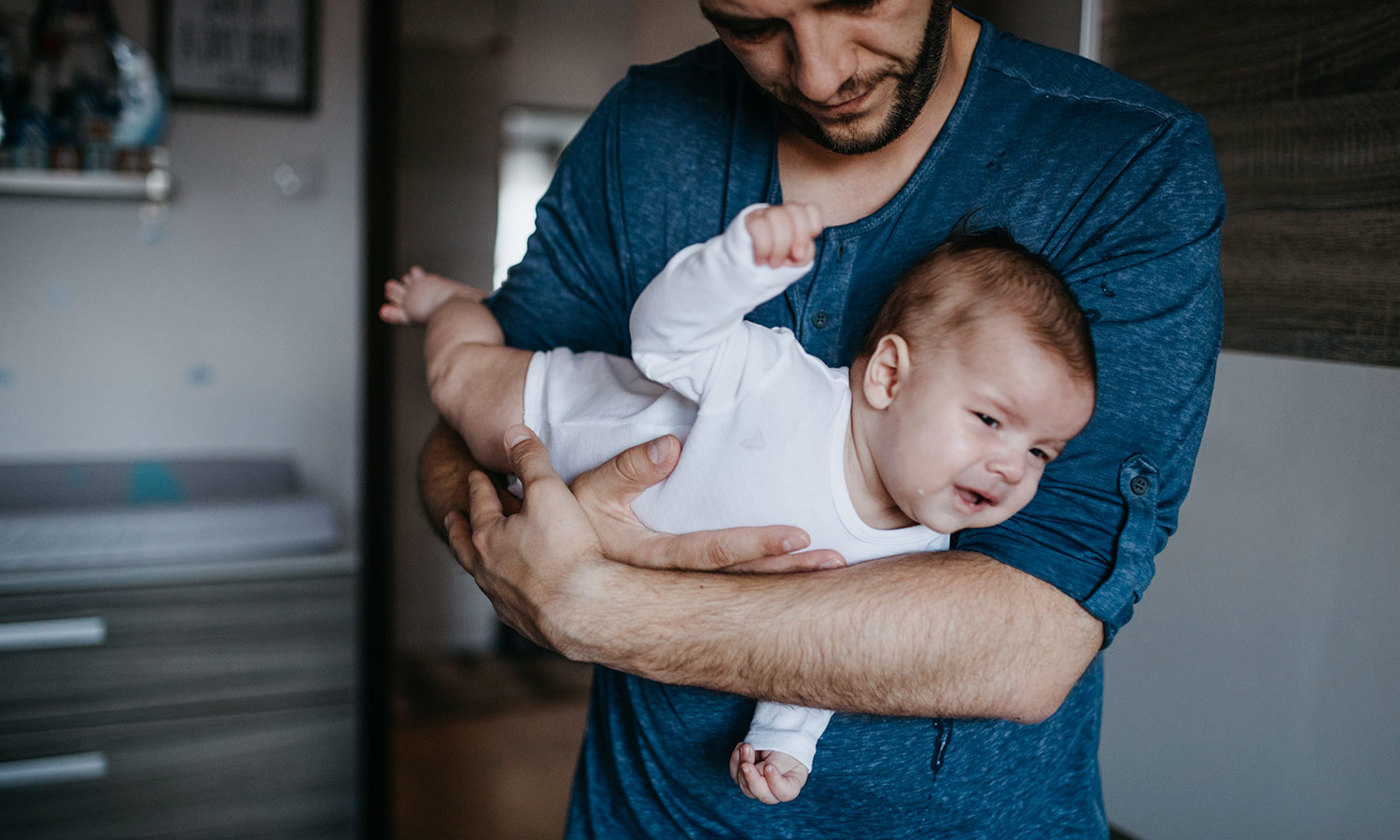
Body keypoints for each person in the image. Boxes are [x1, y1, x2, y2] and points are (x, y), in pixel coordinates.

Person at [419, 1, 1225, 835]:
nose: (817, 73)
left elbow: (1029, 640)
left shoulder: (1126, 163)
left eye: (854, 1)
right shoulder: (646, 130)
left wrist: (596, 603)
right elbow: (469, 426)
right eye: (750, 24)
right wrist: (522, 525)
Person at [384, 201, 1097, 803]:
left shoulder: (919, 553)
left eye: (1041, 452)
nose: (1013, 468)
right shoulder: (780, 381)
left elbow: (824, 650)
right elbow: (663, 341)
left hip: (567, 517)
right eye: (990, 421)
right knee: (453, 379)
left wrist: (784, 739)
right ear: (888, 376)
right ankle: (454, 307)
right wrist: (740, 266)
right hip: (548, 413)